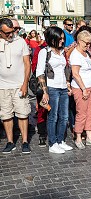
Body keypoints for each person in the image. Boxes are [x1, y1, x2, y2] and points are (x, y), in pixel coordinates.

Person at [36, 26, 73, 154]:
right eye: (60, 39)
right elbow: (39, 73)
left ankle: (60, 140)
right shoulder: (45, 52)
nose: (63, 41)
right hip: (52, 87)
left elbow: (65, 69)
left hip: (63, 87)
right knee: (53, 116)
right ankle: (52, 143)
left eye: (63, 39)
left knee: (64, 116)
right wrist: (45, 91)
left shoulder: (62, 52)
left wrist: (68, 84)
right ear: (53, 39)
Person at [0, 18, 31, 154]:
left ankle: (24, 142)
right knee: (6, 115)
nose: (10, 35)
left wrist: (25, 83)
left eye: (12, 31)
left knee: (23, 113)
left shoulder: (21, 42)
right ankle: (10, 142)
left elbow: (27, 64)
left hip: (19, 84)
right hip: (2, 86)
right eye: (6, 33)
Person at [70, 30, 91, 149]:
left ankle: (89, 136)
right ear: (79, 41)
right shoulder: (75, 54)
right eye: (86, 43)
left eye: (90, 43)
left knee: (90, 112)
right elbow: (75, 74)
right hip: (80, 87)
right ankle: (78, 137)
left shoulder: (86, 53)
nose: (88, 45)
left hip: (90, 85)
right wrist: (83, 88)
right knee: (81, 113)